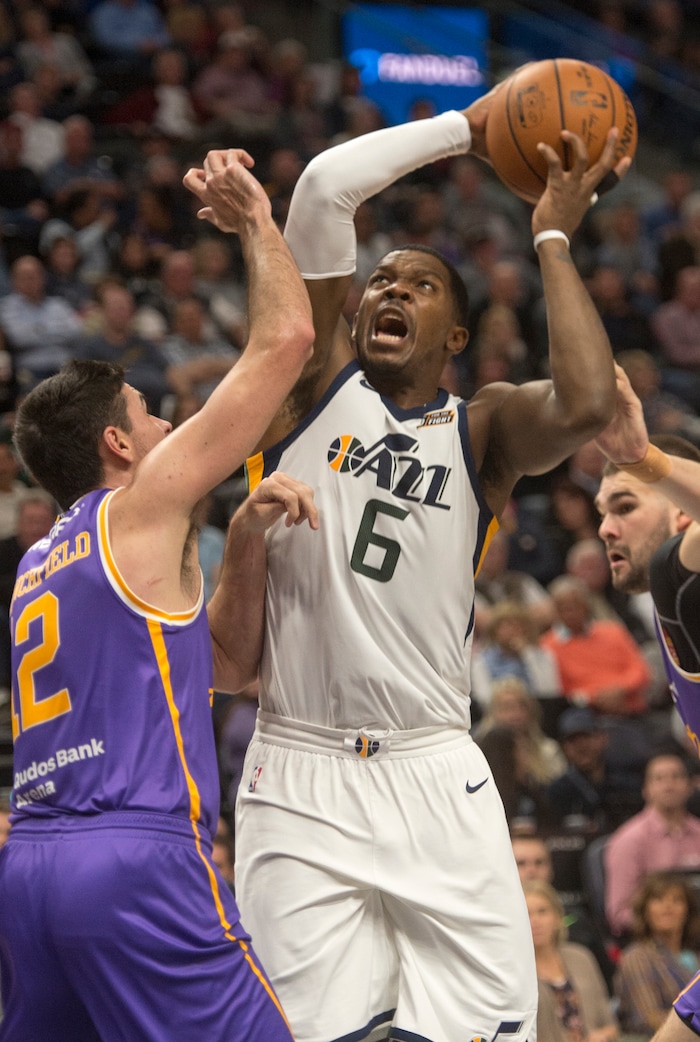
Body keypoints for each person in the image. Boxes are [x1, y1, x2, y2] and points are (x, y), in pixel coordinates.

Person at [192, 82, 632, 1041]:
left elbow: (591, 403)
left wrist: (552, 236)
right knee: (307, 1033)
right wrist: (465, 132)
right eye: (381, 281)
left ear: (457, 337)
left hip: (435, 767)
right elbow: (321, 192)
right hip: (301, 765)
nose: (390, 290)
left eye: (420, 284)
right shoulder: (309, 386)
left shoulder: (483, 431)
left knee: (494, 1029)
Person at [0, 147, 316, 1041]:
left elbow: (212, 664)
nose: (168, 424)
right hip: (135, 857)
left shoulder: (36, 567)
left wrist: (246, 542)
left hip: (29, 872)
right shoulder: (141, 504)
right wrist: (257, 219)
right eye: (149, 413)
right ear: (117, 443)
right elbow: (286, 341)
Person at [593, 364, 700, 1042]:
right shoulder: (669, 614)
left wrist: (648, 458)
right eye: (602, 509)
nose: (605, 528)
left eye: (625, 505)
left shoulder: (680, 579)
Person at [604, 753, 700, 938]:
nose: (669, 785)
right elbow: (619, 913)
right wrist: (665, 925)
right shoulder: (629, 840)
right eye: (659, 778)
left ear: (690, 786)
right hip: (650, 942)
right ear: (646, 789)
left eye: (676, 776)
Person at [524, 878, 620, 1042]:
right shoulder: (516, 970)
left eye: (542, 912)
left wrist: (602, 1035)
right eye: (526, 914)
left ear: (557, 917)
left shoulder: (581, 957)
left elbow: (611, 1025)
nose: (535, 921)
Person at [615, 871, 700, 1039]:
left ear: (688, 910)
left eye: (677, 900)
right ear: (645, 909)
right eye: (659, 899)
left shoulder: (695, 955)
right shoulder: (637, 957)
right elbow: (649, 1017)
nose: (668, 907)